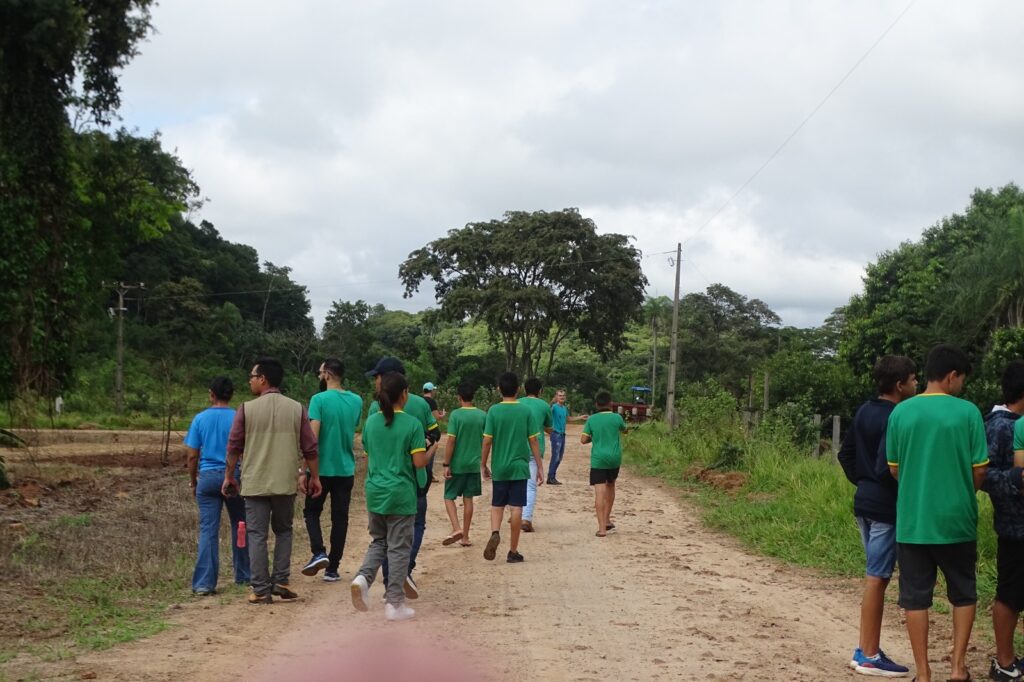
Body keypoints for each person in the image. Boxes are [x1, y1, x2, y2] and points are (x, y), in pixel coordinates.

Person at [886, 344, 988, 682]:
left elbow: (895, 469)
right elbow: (979, 472)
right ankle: (958, 669)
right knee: (963, 593)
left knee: (915, 599)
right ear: (951, 376)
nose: (961, 386)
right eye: (961, 379)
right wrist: (958, 488)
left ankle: (924, 672)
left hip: (914, 521)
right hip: (957, 520)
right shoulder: (969, 413)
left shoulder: (900, 413)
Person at [837, 355, 916, 678]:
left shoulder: (864, 410)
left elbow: (846, 454)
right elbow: (889, 465)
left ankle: (866, 648)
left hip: (864, 502)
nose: (916, 384)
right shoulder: (898, 415)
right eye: (913, 380)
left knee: (876, 576)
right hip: (885, 506)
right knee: (877, 577)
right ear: (899, 385)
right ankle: (868, 654)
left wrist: (864, 481)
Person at [224, 357, 322, 605]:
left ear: (263, 379)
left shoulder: (246, 408)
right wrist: (314, 477)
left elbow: (234, 447)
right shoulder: (296, 408)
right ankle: (280, 580)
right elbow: (310, 448)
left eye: (252, 377)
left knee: (257, 534)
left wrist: (229, 477)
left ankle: (259, 588)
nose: (250, 381)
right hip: (284, 483)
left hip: (255, 482)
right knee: (284, 531)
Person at [350, 372, 429, 622]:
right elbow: (418, 463)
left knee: (379, 542)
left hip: (375, 491)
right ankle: (394, 603)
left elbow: (370, 452)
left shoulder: (371, 423)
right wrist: (430, 455)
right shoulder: (413, 425)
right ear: (404, 394)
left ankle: (363, 578)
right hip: (401, 494)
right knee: (398, 548)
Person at [367, 357, 440, 599]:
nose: (376, 381)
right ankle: (403, 573)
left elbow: (370, 448)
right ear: (405, 391)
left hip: (378, 484)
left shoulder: (373, 412)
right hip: (413, 480)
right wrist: (431, 446)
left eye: (378, 377)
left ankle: (389, 579)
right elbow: (435, 432)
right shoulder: (420, 405)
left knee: (383, 538)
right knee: (413, 527)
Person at [185, 376, 249, 595]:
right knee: (240, 525)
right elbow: (245, 450)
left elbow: (193, 456)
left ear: (211, 393)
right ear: (231, 395)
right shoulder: (238, 417)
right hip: (234, 476)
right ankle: (244, 574)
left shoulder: (200, 419)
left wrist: (193, 481)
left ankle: (204, 583)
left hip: (208, 477)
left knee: (208, 530)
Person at [300, 358, 362, 582]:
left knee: (311, 512)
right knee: (340, 518)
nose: (318, 377)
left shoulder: (318, 400)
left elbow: (312, 437)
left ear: (327, 374)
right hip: (345, 469)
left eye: (319, 373)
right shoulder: (356, 400)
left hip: (321, 469)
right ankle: (333, 568)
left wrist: (304, 469)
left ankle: (318, 552)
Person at [984, 360, 1024, 680]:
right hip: (1014, 527)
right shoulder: (1000, 426)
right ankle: (1004, 661)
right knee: (1010, 593)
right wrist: (1016, 479)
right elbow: (982, 476)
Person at [481, 372, 543, 563]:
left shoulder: (493, 411)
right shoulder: (525, 411)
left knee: (497, 505)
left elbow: (487, 441)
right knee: (516, 508)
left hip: (500, 466)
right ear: (518, 389)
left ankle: (495, 532)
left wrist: (483, 464)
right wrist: (540, 466)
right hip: (519, 467)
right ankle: (513, 551)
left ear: (499, 389)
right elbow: (533, 440)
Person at [441, 380, 485, 547]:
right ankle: (465, 537)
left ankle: (456, 528)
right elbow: (487, 439)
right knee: (469, 499)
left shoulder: (456, 415)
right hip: (473, 465)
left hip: (457, 464)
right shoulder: (482, 415)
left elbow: (451, 440)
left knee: (448, 497)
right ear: (473, 396)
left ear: (458, 396)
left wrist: (446, 464)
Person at [581, 391, 628, 537]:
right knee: (611, 485)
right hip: (614, 458)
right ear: (610, 403)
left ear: (596, 404)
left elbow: (583, 440)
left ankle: (602, 529)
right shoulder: (617, 417)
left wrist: (593, 438)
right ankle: (607, 519)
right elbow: (625, 430)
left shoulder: (592, 420)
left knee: (599, 492)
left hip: (598, 459)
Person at [518, 377, 553, 532]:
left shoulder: (517, 403)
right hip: (535, 448)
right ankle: (526, 518)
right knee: (531, 486)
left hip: (516, 447)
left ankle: (515, 513)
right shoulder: (544, 405)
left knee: (515, 483)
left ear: (524, 390)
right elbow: (549, 427)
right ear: (540, 391)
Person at [547, 389, 569, 484]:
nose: (562, 397)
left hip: (562, 435)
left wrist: (581, 417)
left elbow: (568, 418)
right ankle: (550, 477)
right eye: (560, 395)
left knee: (559, 457)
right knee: (555, 457)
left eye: (563, 395)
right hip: (555, 434)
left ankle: (552, 476)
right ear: (556, 397)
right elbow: (547, 412)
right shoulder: (554, 407)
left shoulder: (564, 408)